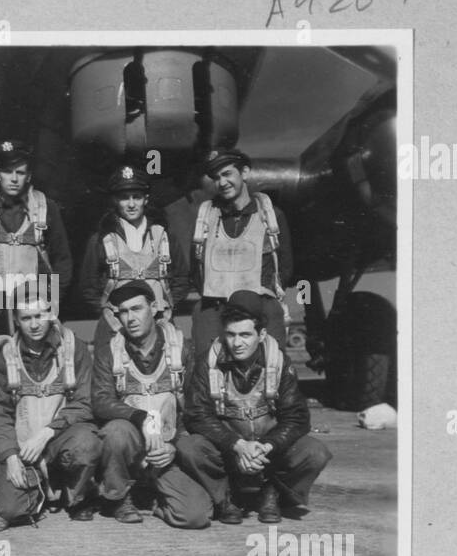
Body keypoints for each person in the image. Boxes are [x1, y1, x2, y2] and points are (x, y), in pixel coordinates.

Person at [177, 300, 331, 524]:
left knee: (315, 452)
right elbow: (197, 415)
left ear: (261, 334)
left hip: (268, 451)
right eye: (230, 334)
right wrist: (237, 446)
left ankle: (272, 492)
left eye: (245, 335)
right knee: (189, 447)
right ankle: (225, 496)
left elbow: (297, 417)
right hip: (227, 449)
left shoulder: (278, 363)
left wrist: (266, 446)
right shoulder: (208, 363)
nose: (237, 343)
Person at [86, 281, 212, 529]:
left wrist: (174, 447)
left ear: (153, 308)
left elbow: (197, 407)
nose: (130, 318)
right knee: (115, 431)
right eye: (123, 311)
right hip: (130, 450)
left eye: (137, 309)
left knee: (195, 516)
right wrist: (140, 417)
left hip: (166, 451)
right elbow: (100, 401)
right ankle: (120, 497)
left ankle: (155, 500)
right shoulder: (109, 351)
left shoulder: (181, 349)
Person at [0, 282, 99, 524]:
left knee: (87, 444)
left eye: (39, 315)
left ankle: (76, 494)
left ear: (51, 313)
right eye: (26, 318)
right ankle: (42, 487)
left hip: (60, 437)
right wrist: (11, 457)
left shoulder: (73, 347)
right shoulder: (4, 357)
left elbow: (85, 403)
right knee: (8, 511)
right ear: (15, 320)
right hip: (22, 445)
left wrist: (47, 433)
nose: (34, 324)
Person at [0, 139, 74, 353]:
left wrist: (52, 300)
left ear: (29, 176)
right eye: (7, 171)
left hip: (34, 313)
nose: (13, 179)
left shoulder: (46, 209)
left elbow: (62, 261)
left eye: (20, 173)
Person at [190, 148, 294, 355]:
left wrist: (261, 301)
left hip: (260, 306)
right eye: (216, 178)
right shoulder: (205, 220)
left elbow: (285, 267)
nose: (222, 183)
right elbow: (196, 268)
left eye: (227, 174)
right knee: (205, 367)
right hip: (215, 307)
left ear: (244, 173)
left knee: (272, 365)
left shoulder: (272, 216)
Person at [78, 164, 188, 351]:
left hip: (160, 320)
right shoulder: (101, 239)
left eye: (136, 197)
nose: (131, 204)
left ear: (146, 199)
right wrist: (112, 313)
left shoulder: (164, 236)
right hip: (116, 324)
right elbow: (88, 286)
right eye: (124, 198)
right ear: (115, 200)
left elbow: (182, 278)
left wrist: (165, 307)